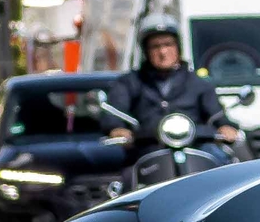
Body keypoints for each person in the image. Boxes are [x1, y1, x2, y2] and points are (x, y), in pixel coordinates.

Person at [102, 23, 238, 153]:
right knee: (126, 174)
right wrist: (117, 128)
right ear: (145, 51)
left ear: (178, 48)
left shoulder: (198, 83)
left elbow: (216, 114)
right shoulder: (129, 82)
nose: (162, 52)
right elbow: (115, 112)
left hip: (195, 149)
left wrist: (225, 127)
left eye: (168, 44)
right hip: (147, 151)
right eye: (155, 46)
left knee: (222, 160)